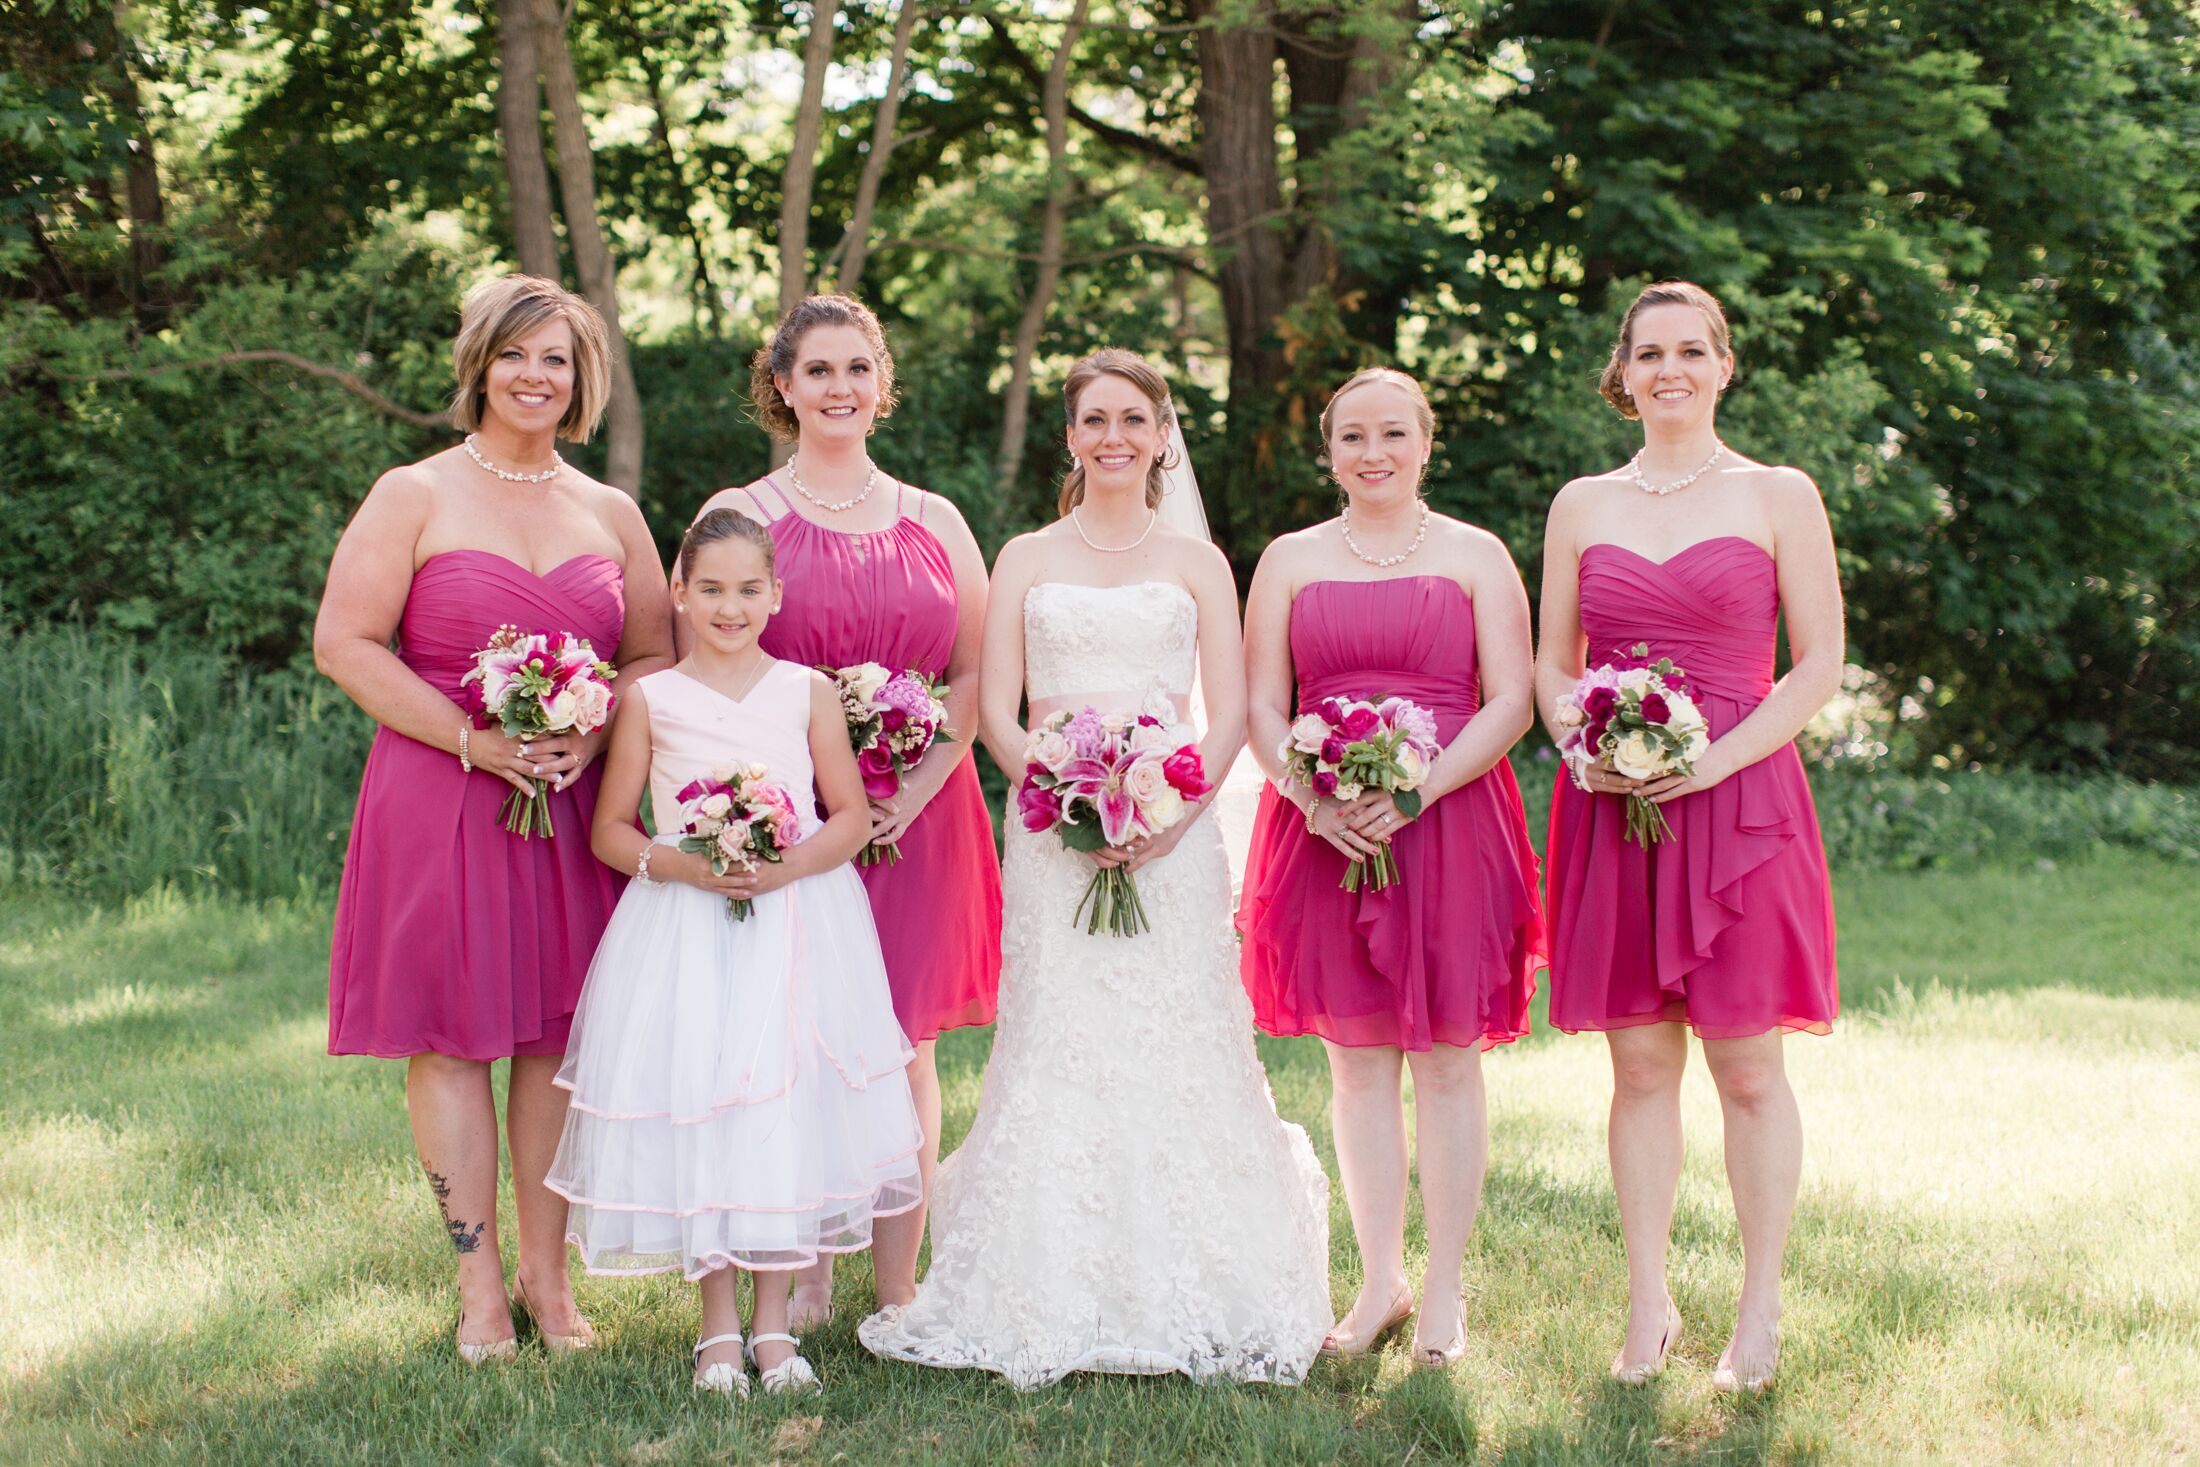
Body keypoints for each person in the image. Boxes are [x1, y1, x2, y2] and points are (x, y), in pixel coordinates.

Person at [858, 349, 1331, 1389]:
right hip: (1050, 834)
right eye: (1093, 420)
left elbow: (1233, 713)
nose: (1113, 436)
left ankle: (1205, 1281)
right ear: (1070, 437)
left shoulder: (1200, 564)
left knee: (1182, 1036)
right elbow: (993, 710)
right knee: (1059, 1039)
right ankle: (1043, 1282)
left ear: (1163, 434)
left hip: (1173, 840)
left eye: (1133, 418)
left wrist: (1164, 809)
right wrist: (1069, 795)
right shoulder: (1025, 554)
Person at [315, 273, 672, 1362]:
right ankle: (478, 1290)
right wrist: (471, 739)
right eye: (515, 354)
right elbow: (346, 644)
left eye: (555, 359)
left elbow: (653, 654)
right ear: (478, 364)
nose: (534, 375)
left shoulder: (608, 512)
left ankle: (547, 1281)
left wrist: (595, 729)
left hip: (567, 808)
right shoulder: (411, 493)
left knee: (558, 1042)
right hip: (439, 797)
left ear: (581, 378)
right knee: (454, 1040)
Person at [1536, 280, 1842, 1393]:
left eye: (1690, 351)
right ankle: (1647, 1303)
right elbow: (1551, 664)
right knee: (1637, 1062)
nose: (1669, 369)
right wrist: (1587, 741)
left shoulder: (1777, 492)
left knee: (1749, 1064)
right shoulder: (1581, 502)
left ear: (1723, 365)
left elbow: (1815, 666)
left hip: (1742, 799)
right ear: (1623, 373)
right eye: (1649, 353)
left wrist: (1706, 760)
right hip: (1615, 804)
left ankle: (1758, 1310)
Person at [546, 508, 923, 1397]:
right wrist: (685, 863)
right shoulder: (652, 699)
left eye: (748, 589)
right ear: (678, 592)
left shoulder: (806, 690)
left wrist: (779, 868)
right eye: (710, 588)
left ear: (774, 595)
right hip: (685, 926)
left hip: (797, 920)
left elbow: (850, 816)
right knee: (704, 1103)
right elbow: (610, 828)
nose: (729, 606)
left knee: (783, 1103)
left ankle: (775, 1328)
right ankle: (716, 1329)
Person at [689, 295, 1001, 1327]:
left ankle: (900, 1277)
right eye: (816, 370)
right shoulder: (741, 514)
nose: (839, 388)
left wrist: (906, 792)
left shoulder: (936, 519)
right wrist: (816, 803)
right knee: (799, 1033)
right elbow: (708, 666)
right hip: (791, 819)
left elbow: (970, 677)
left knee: (904, 1042)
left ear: (882, 383)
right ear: (780, 385)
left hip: (922, 815)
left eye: (857, 368)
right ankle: (809, 1264)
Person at [1237, 367, 1545, 1370]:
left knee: (1447, 1061)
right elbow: (1264, 707)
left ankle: (1446, 1287)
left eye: (1393, 435)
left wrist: (1415, 791)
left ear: (1425, 441)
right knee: (1356, 1065)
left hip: (1448, 823)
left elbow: (1510, 700)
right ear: (1328, 452)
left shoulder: (1474, 555)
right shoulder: (1287, 560)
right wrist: (1314, 799)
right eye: (1352, 438)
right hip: (1324, 833)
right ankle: (1379, 1282)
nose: (1373, 454)